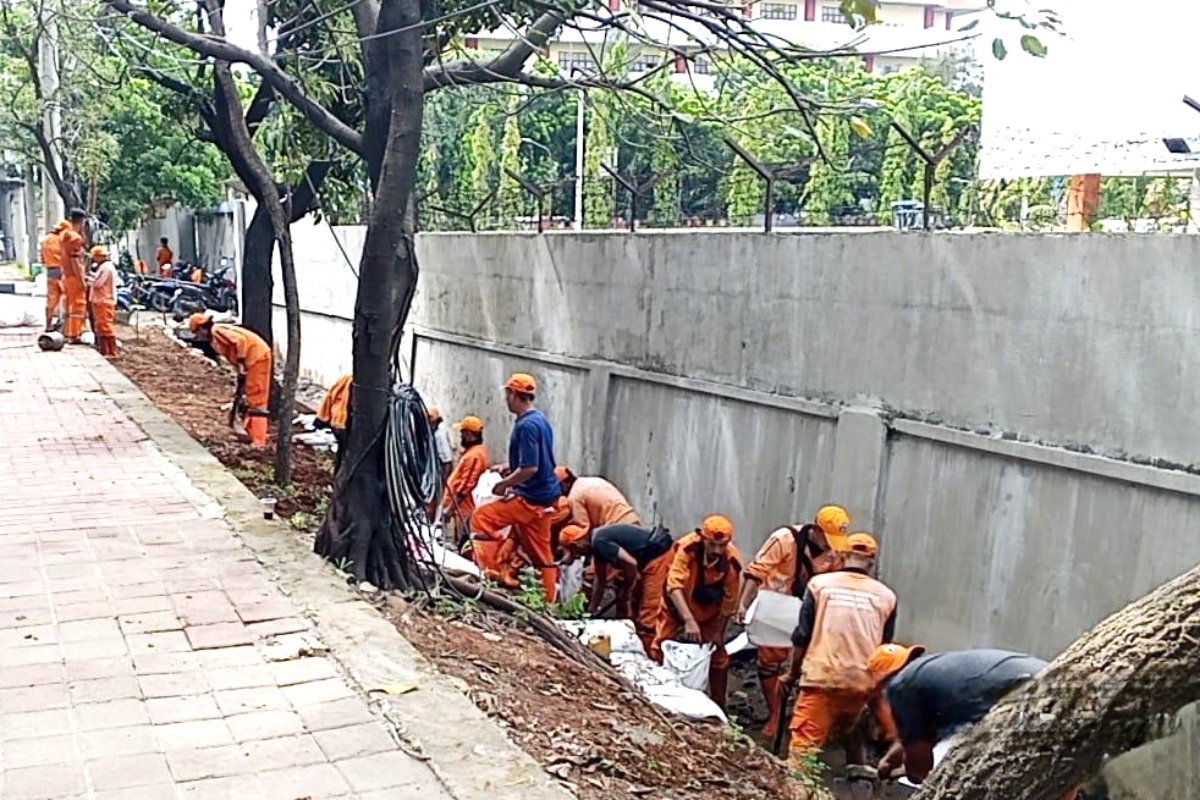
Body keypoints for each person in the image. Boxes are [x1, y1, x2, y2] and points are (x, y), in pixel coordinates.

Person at [736, 505, 852, 737]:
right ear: (815, 530)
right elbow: (756, 572)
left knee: (813, 663)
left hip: (811, 608)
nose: (830, 545)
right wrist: (743, 604)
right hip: (777, 606)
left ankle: (808, 717)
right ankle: (775, 714)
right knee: (769, 662)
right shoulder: (784, 539)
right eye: (827, 539)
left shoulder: (836, 552)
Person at [786, 532, 897, 768]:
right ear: (871, 562)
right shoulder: (887, 596)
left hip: (821, 678)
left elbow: (802, 636)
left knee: (802, 751)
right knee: (852, 727)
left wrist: (792, 674)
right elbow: (884, 651)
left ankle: (797, 782)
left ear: (843, 556)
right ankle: (858, 774)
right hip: (861, 682)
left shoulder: (819, 586)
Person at [871, 646, 1053, 787]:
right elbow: (919, 737)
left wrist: (910, 773)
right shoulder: (930, 674)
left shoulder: (900, 687)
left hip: (1024, 694)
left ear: (882, 687)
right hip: (1049, 677)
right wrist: (891, 759)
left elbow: (920, 768)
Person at [468, 373, 560, 601]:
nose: (506, 399)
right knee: (542, 555)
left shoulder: (526, 426)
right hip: (545, 498)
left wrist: (504, 485)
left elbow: (530, 468)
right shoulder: (540, 421)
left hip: (530, 498)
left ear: (513, 395)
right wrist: (508, 467)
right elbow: (538, 460)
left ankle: (489, 577)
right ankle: (549, 602)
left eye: (507, 394)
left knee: (482, 518)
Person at [650, 514, 743, 710]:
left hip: (708, 614)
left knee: (718, 657)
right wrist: (688, 620)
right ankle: (656, 697)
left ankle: (719, 707)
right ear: (702, 537)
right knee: (660, 646)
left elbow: (729, 600)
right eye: (712, 545)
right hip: (677, 609)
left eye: (721, 546)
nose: (716, 551)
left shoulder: (731, 561)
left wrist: (718, 631)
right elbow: (674, 585)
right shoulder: (687, 548)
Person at [559, 522, 676, 653]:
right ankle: (638, 641)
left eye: (575, 552)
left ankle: (651, 654)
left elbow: (631, 562)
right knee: (635, 605)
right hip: (647, 560)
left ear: (575, 545)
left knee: (648, 612)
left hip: (658, 557)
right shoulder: (597, 543)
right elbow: (600, 580)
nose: (579, 556)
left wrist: (627, 590)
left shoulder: (599, 542)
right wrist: (591, 611)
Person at [188, 313, 273, 447]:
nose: (198, 337)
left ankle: (259, 440)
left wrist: (241, 363)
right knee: (251, 396)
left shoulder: (217, 331)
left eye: (197, 333)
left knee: (257, 398)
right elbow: (233, 350)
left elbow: (241, 341)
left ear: (202, 328)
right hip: (253, 360)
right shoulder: (216, 335)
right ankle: (252, 433)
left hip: (257, 358)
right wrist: (239, 369)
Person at [441, 415, 489, 538]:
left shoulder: (474, 455)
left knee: (461, 541)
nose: (460, 436)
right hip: (460, 509)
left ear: (468, 434)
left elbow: (466, 486)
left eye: (462, 433)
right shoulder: (472, 452)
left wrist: (451, 508)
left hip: (463, 510)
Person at [556, 467, 641, 531]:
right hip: (632, 521)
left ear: (564, 484)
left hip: (617, 529)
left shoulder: (574, 496)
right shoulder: (592, 480)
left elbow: (583, 530)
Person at [60, 209, 88, 343]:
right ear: (82, 221)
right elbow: (75, 261)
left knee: (68, 304)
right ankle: (74, 334)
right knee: (78, 305)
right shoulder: (75, 238)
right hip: (74, 276)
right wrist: (82, 280)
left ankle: (67, 332)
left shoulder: (64, 234)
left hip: (66, 275)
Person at [86, 246, 119, 357]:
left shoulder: (106, 268)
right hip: (101, 300)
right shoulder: (105, 267)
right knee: (101, 325)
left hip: (104, 300)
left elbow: (98, 283)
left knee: (105, 326)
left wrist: (87, 280)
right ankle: (105, 350)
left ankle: (112, 351)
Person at [39, 220, 69, 332]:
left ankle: (48, 325)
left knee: (51, 301)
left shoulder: (45, 240)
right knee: (67, 299)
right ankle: (67, 326)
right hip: (63, 271)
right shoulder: (62, 240)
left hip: (51, 271)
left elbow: (42, 259)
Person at [315, 374, 352, 451]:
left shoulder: (346, 380)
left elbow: (329, 398)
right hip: (343, 424)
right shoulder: (346, 381)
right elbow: (329, 398)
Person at [427, 407, 454, 481]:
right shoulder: (429, 435)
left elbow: (448, 461)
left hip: (439, 473)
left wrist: (444, 481)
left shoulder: (441, 435)